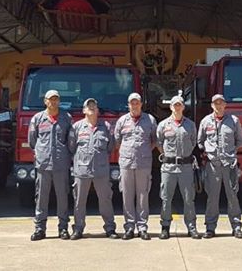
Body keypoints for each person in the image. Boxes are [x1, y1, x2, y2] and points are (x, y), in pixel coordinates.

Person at [68, 98, 119, 240]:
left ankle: (110, 228)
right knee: (79, 201)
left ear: (97, 110)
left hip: (101, 171)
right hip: (82, 171)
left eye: (94, 106)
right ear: (83, 110)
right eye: (88, 107)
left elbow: (110, 147)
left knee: (105, 200)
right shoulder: (76, 127)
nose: (91, 108)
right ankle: (78, 229)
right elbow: (71, 148)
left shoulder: (106, 127)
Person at [27, 89, 73, 241]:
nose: (53, 102)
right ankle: (40, 229)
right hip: (43, 165)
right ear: (45, 101)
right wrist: (41, 154)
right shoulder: (37, 119)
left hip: (61, 164)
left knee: (62, 197)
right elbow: (32, 141)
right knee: (41, 198)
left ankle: (63, 228)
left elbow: (70, 141)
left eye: (56, 99)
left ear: (59, 101)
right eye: (50, 99)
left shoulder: (66, 118)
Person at [197, 93, 242, 238]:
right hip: (213, 165)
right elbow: (200, 141)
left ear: (225, 105)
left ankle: (236, 226)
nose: (218, 106)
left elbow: (239, 141)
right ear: (212, 105)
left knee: (232, 195)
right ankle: (210, 227)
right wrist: (209, 152)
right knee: (212, 196)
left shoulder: (234, 121)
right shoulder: (205, 121)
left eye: (221, 103)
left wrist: (231, 154)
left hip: (229, 164)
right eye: (215, 103)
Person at [156, 93, 201, 240]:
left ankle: (191, 227)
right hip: (168, 167)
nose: (177, 107)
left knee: (189, 198)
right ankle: (165, 227)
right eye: (174, 105)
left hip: (186, 167)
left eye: (179, 104)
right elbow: (159, 143)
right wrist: (168, 156)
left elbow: (193, 142)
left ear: (183, 107)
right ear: (170, 107)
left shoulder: (190, 125)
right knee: (166, 198)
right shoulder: (163, 125)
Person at [114, 92, 157, 240]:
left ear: (141, 104)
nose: (134, 105)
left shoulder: (150, 120)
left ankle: (143, 227)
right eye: (132, 103)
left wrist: (142, 152)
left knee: (143, 196)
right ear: (128, 104)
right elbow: (117, 141)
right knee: (126, 195)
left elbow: (154, 141)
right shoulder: (122, 121)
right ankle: (129, 227)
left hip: (143, 163)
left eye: (137, 102)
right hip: (126, 163)